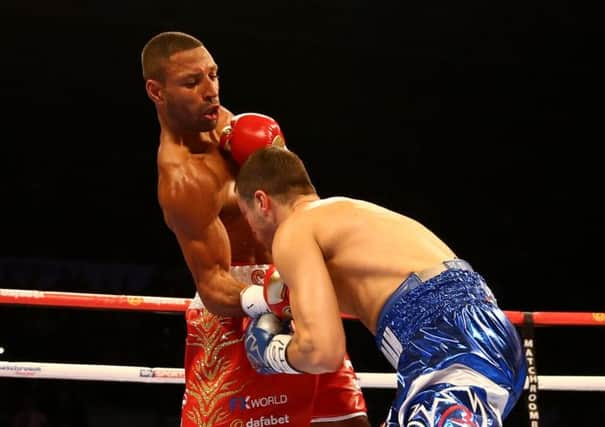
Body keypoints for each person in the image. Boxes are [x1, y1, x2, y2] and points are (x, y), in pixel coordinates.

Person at [141, 31, 369, 426]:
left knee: (347, 421)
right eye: (192, 83)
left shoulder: (238, 128)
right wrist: (271, 298)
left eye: (213, 76)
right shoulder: (182, 178)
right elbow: (212, 285)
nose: (210, 91)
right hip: (237, 316)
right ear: (156, 91)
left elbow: (302, 204)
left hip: (293, 293)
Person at [235, 147, 527, 427]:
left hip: (449, 346)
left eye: (245, 217)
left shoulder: (294, 229)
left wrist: (274, 353)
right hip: (470, 339)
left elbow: (323, 352)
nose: (253, 233)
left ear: (262, 202)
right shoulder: (346, 218)